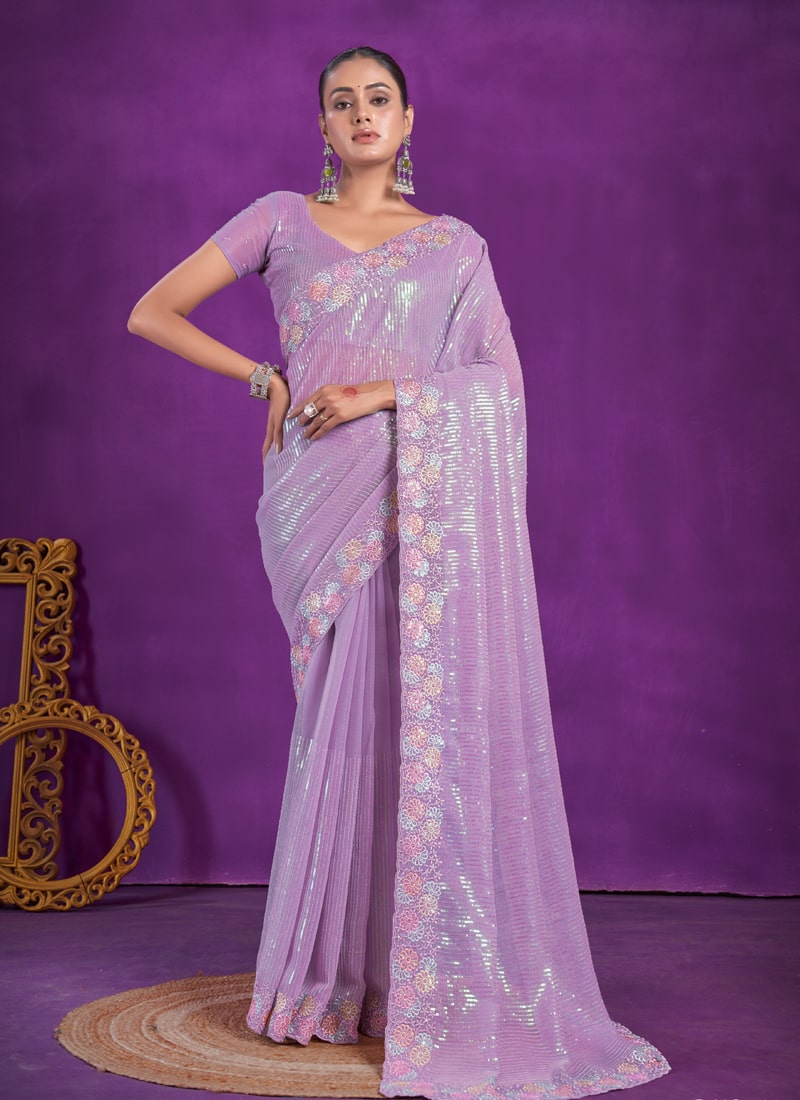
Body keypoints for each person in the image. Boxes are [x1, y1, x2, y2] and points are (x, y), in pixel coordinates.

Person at [128, 45, 671, 1100]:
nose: (361, 114)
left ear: (408, 119)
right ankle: (321, 982)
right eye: (342, 103)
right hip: (316, 500)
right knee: (336, 725)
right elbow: (152, 309)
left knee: (405, 724)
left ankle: (389, 980)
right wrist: (262, 378)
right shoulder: (279, 219)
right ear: (322, 127)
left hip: (411, 501)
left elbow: (499, 387)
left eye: (378, 99)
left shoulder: (454, 248)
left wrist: (384, 393)